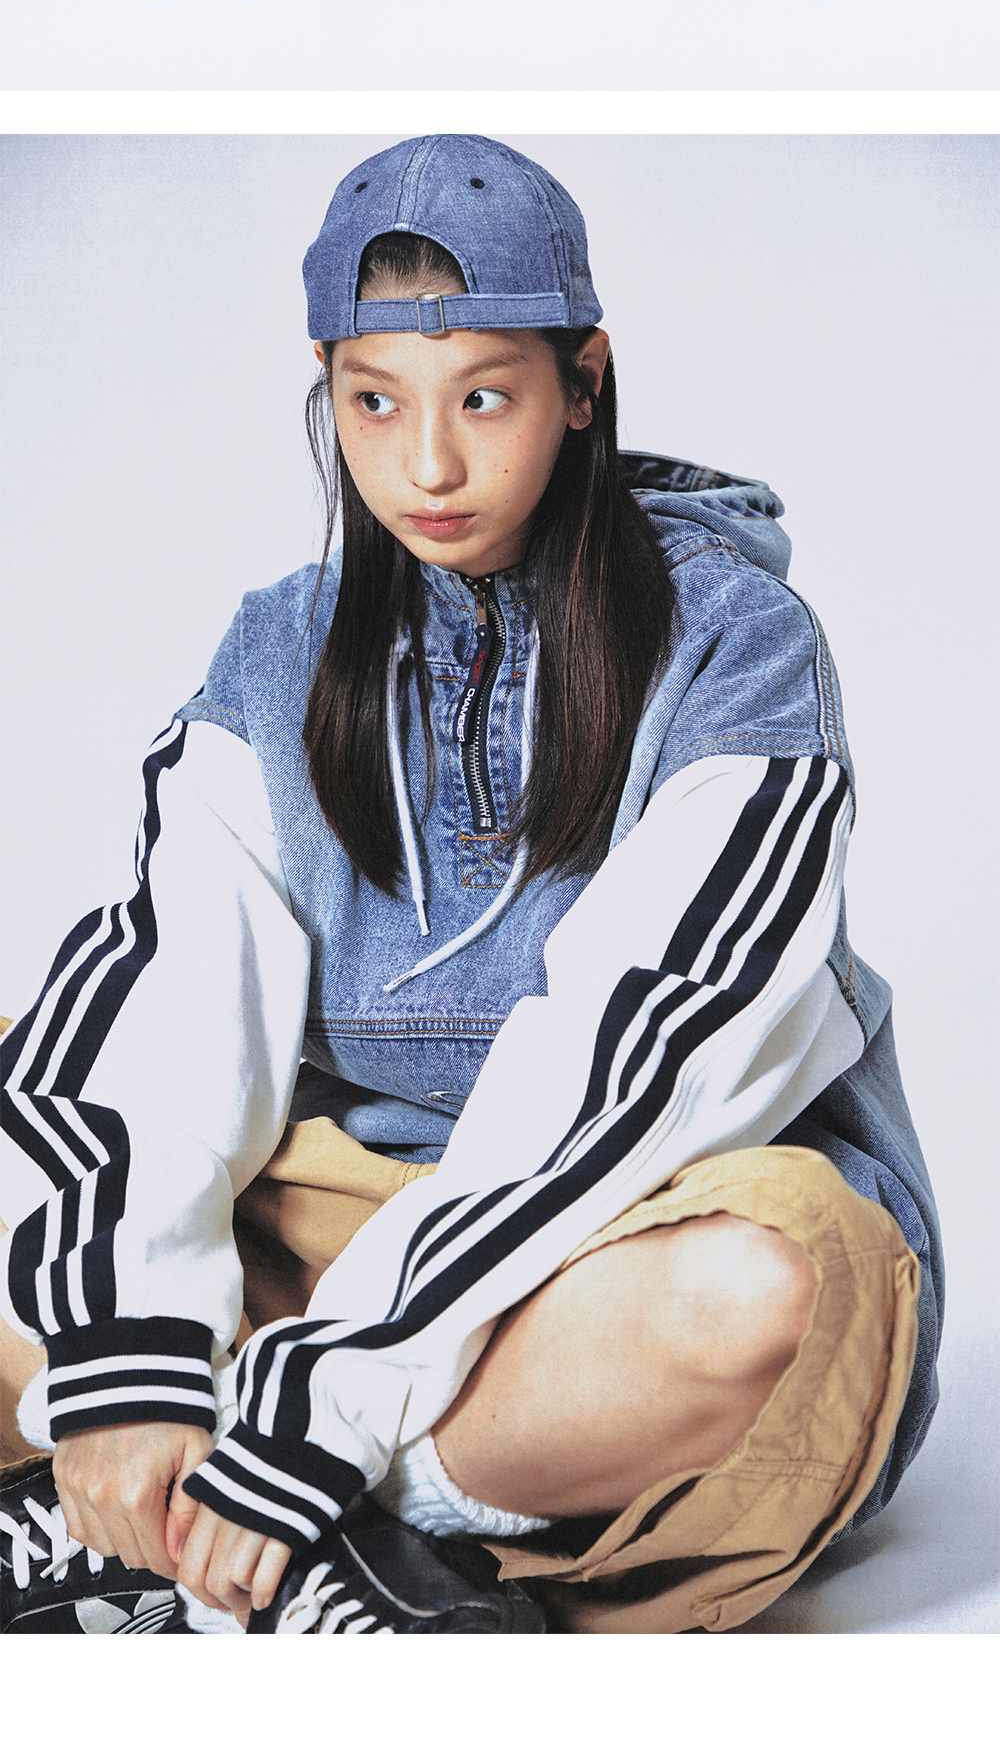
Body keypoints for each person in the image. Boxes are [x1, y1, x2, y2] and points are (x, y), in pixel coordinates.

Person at [0, 133, 942, 1639]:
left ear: (585, 382)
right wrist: (128, 1359)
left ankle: (236, 1515)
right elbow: (165, 1005)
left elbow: (647, 1054)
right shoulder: (277, 648)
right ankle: (288, 1535)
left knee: (754, 1294)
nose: (427, 466)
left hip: (620, 1233)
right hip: (329, 1226)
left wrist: (330, 1395)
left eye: (484, 398)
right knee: (85, 1205)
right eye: (373, 402)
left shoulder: (736, 644)